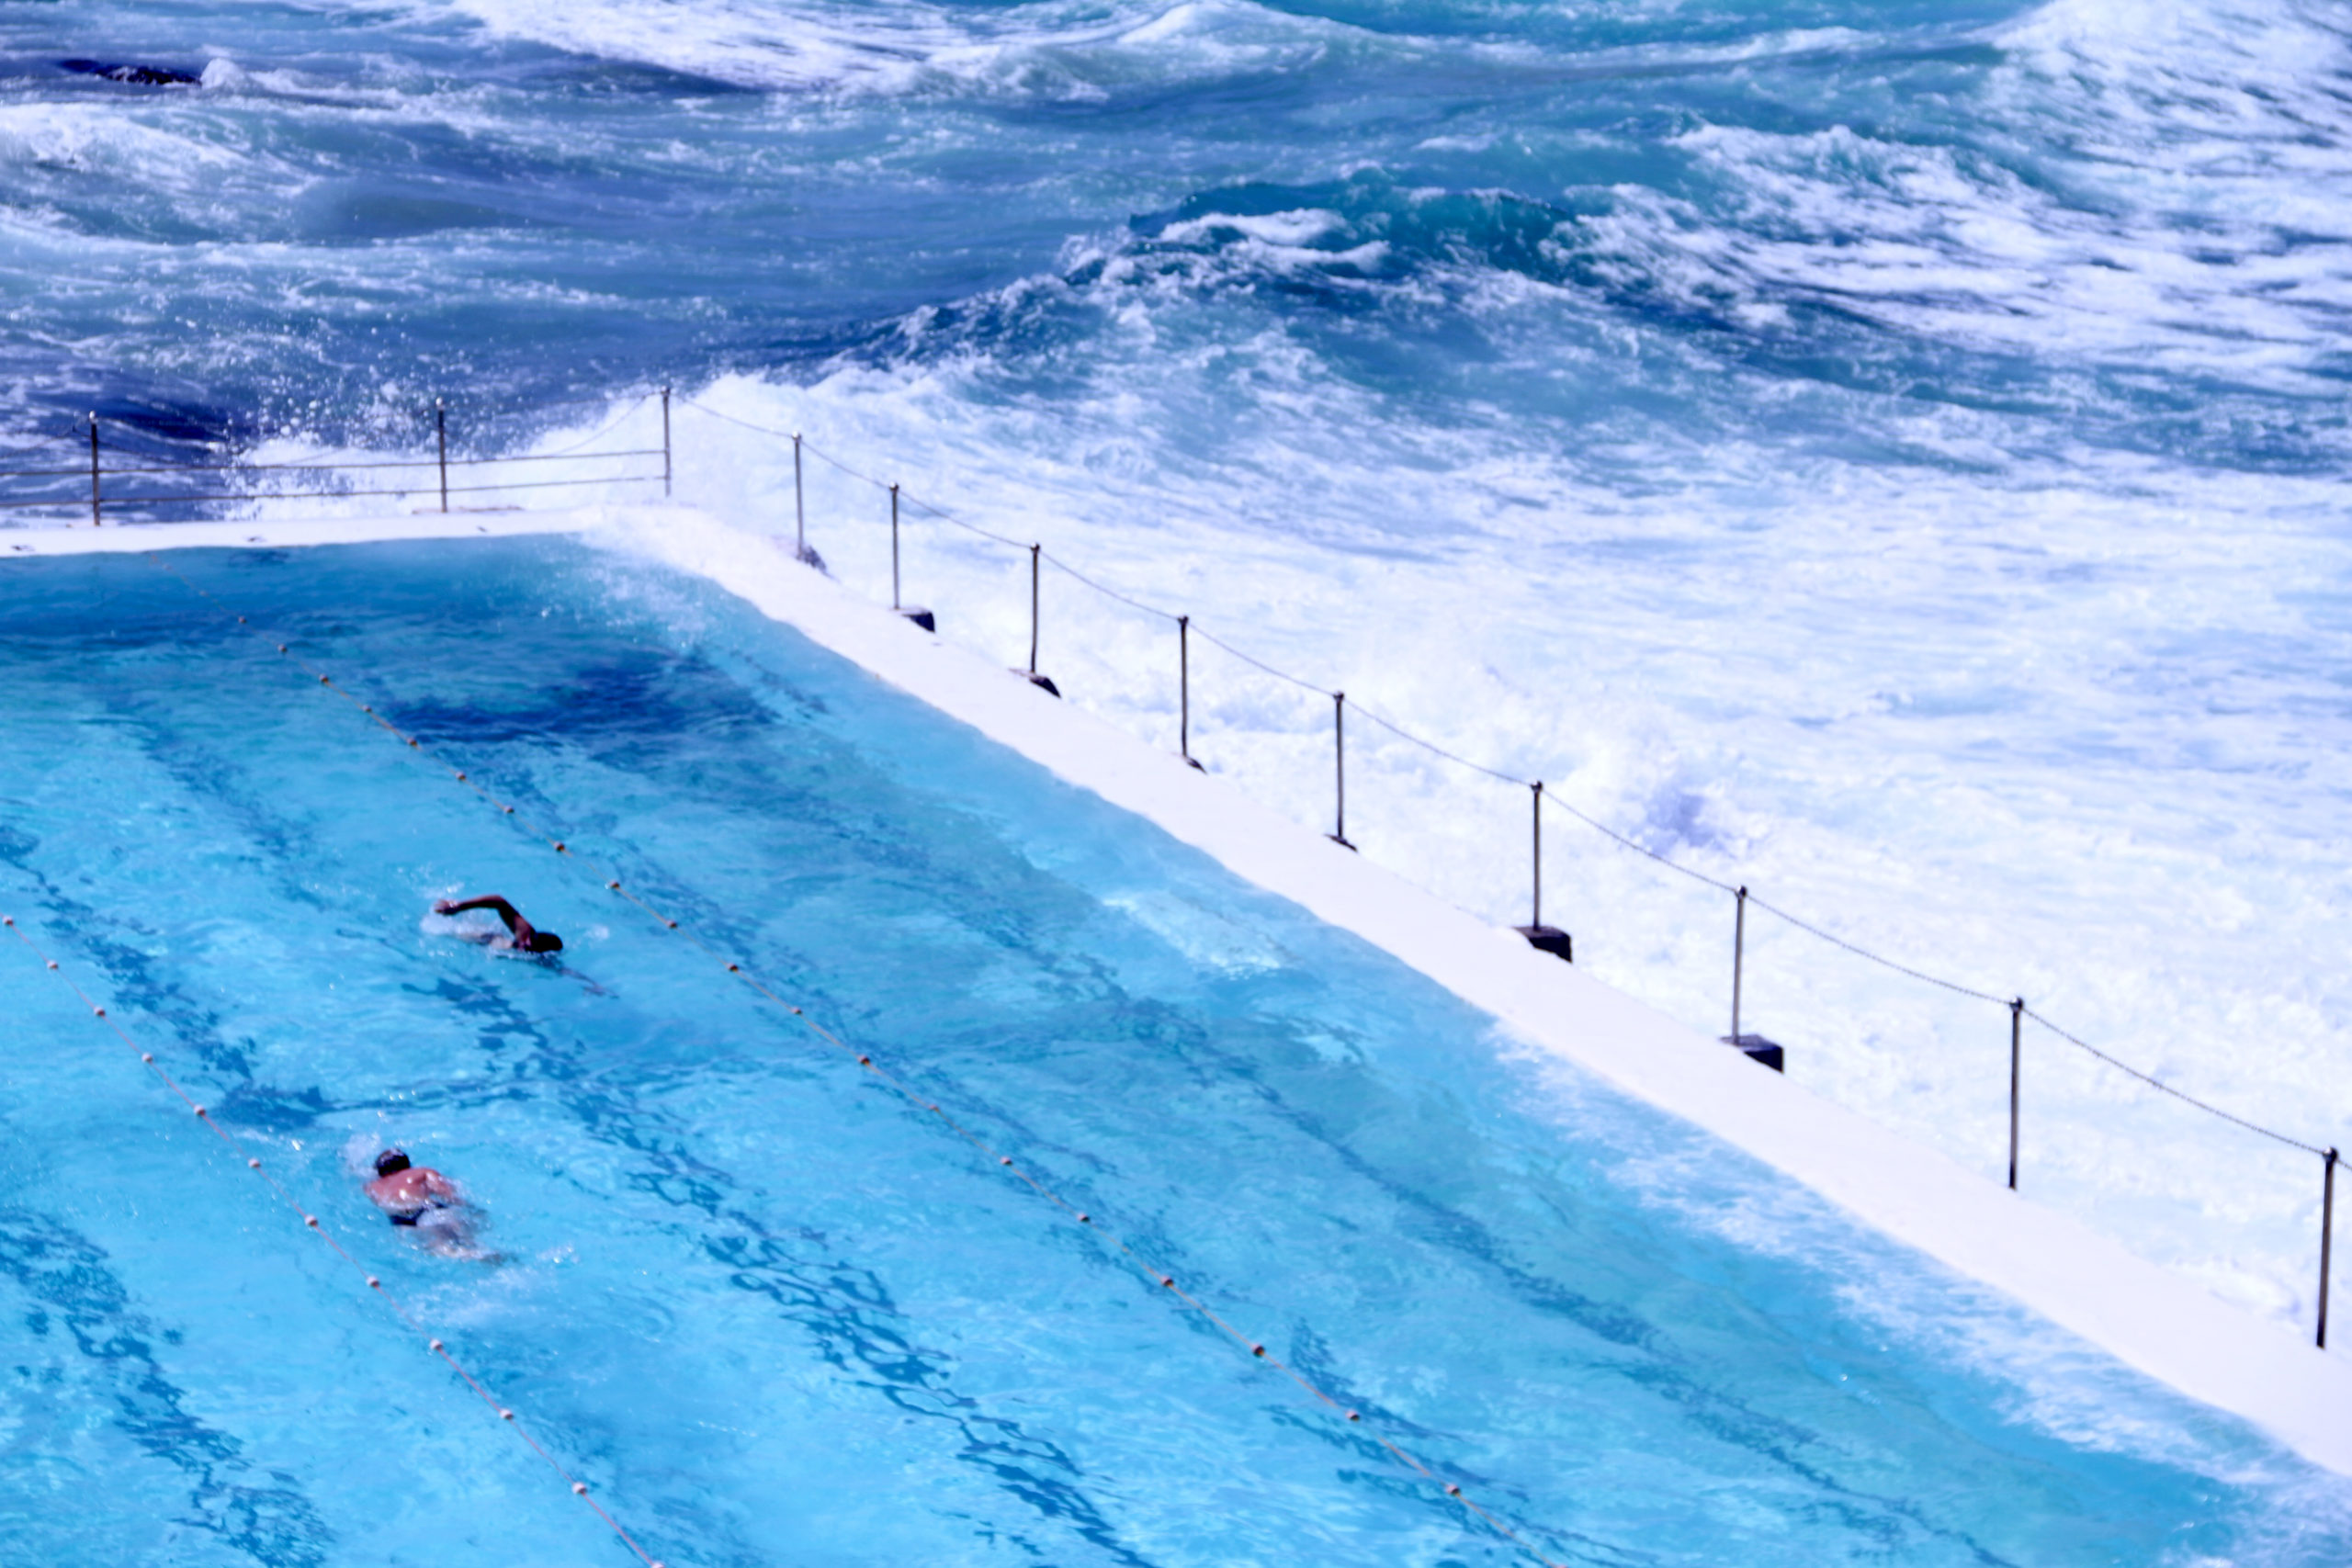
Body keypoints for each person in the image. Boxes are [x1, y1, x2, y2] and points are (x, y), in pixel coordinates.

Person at [433, 894, 562, 953]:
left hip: (500, 944)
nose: (523, 946)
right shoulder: (525, 932)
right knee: (453, 933)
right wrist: (460, 906)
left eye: (528, 948)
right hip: (490, 937)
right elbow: (499, 901)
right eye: (526, 942)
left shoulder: (543, 960)